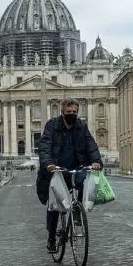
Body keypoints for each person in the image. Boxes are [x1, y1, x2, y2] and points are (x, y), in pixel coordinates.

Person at [37, 98, 103, 253]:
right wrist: (47, 164)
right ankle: (52, 236)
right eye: (69, 112)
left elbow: (91, 145)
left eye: (74, 112)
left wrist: (96, 162)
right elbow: (45, 146)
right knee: (54, 204)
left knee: (84, 182)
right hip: (57, 169)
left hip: (76, 166)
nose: (72, 115)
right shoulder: (52, 125)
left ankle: (77, 213)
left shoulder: (81, 126)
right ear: (62, 112)